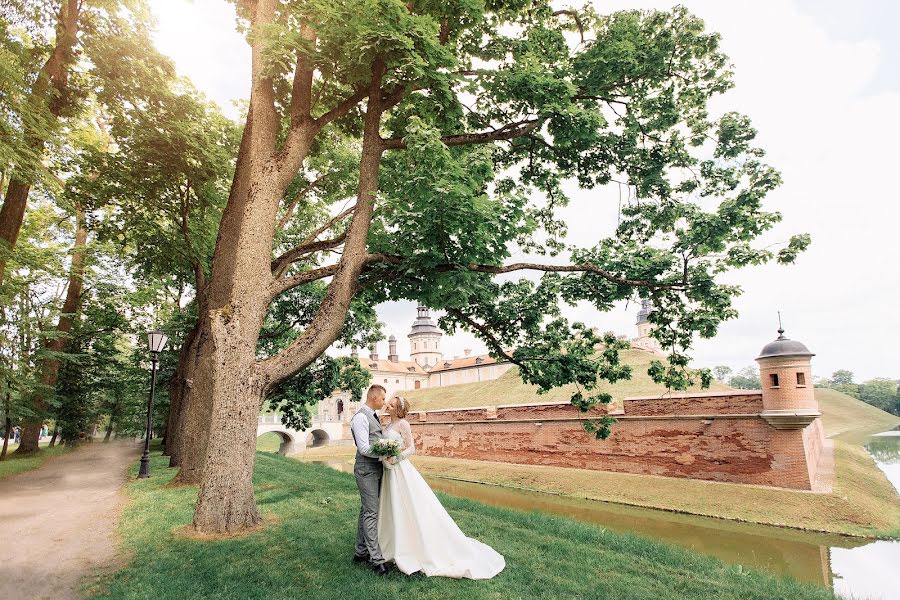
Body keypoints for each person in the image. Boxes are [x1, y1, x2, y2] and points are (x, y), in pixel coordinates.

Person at [378, 395, 506, 579]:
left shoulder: (403, 424)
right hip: (389, 472)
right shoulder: (387, 423)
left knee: (408, 505)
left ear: (398, 410)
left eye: (391, 405)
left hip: (401, 470)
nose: (387, 406)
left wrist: (395, 458)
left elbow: (411, 448)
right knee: (391, 506)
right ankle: (389, 545)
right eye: (388, 403)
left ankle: (410, 548)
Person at [350, 384, 389, 575]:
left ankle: (360, 552)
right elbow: (364, 448)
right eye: (382, 399)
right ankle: (377, 559)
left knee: (367, 510)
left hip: (376, 467)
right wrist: (386, 451)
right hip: (366, 469)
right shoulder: (360, 418)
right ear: (374, 397)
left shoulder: (373, 415)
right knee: (371, 513)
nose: (384, 402)